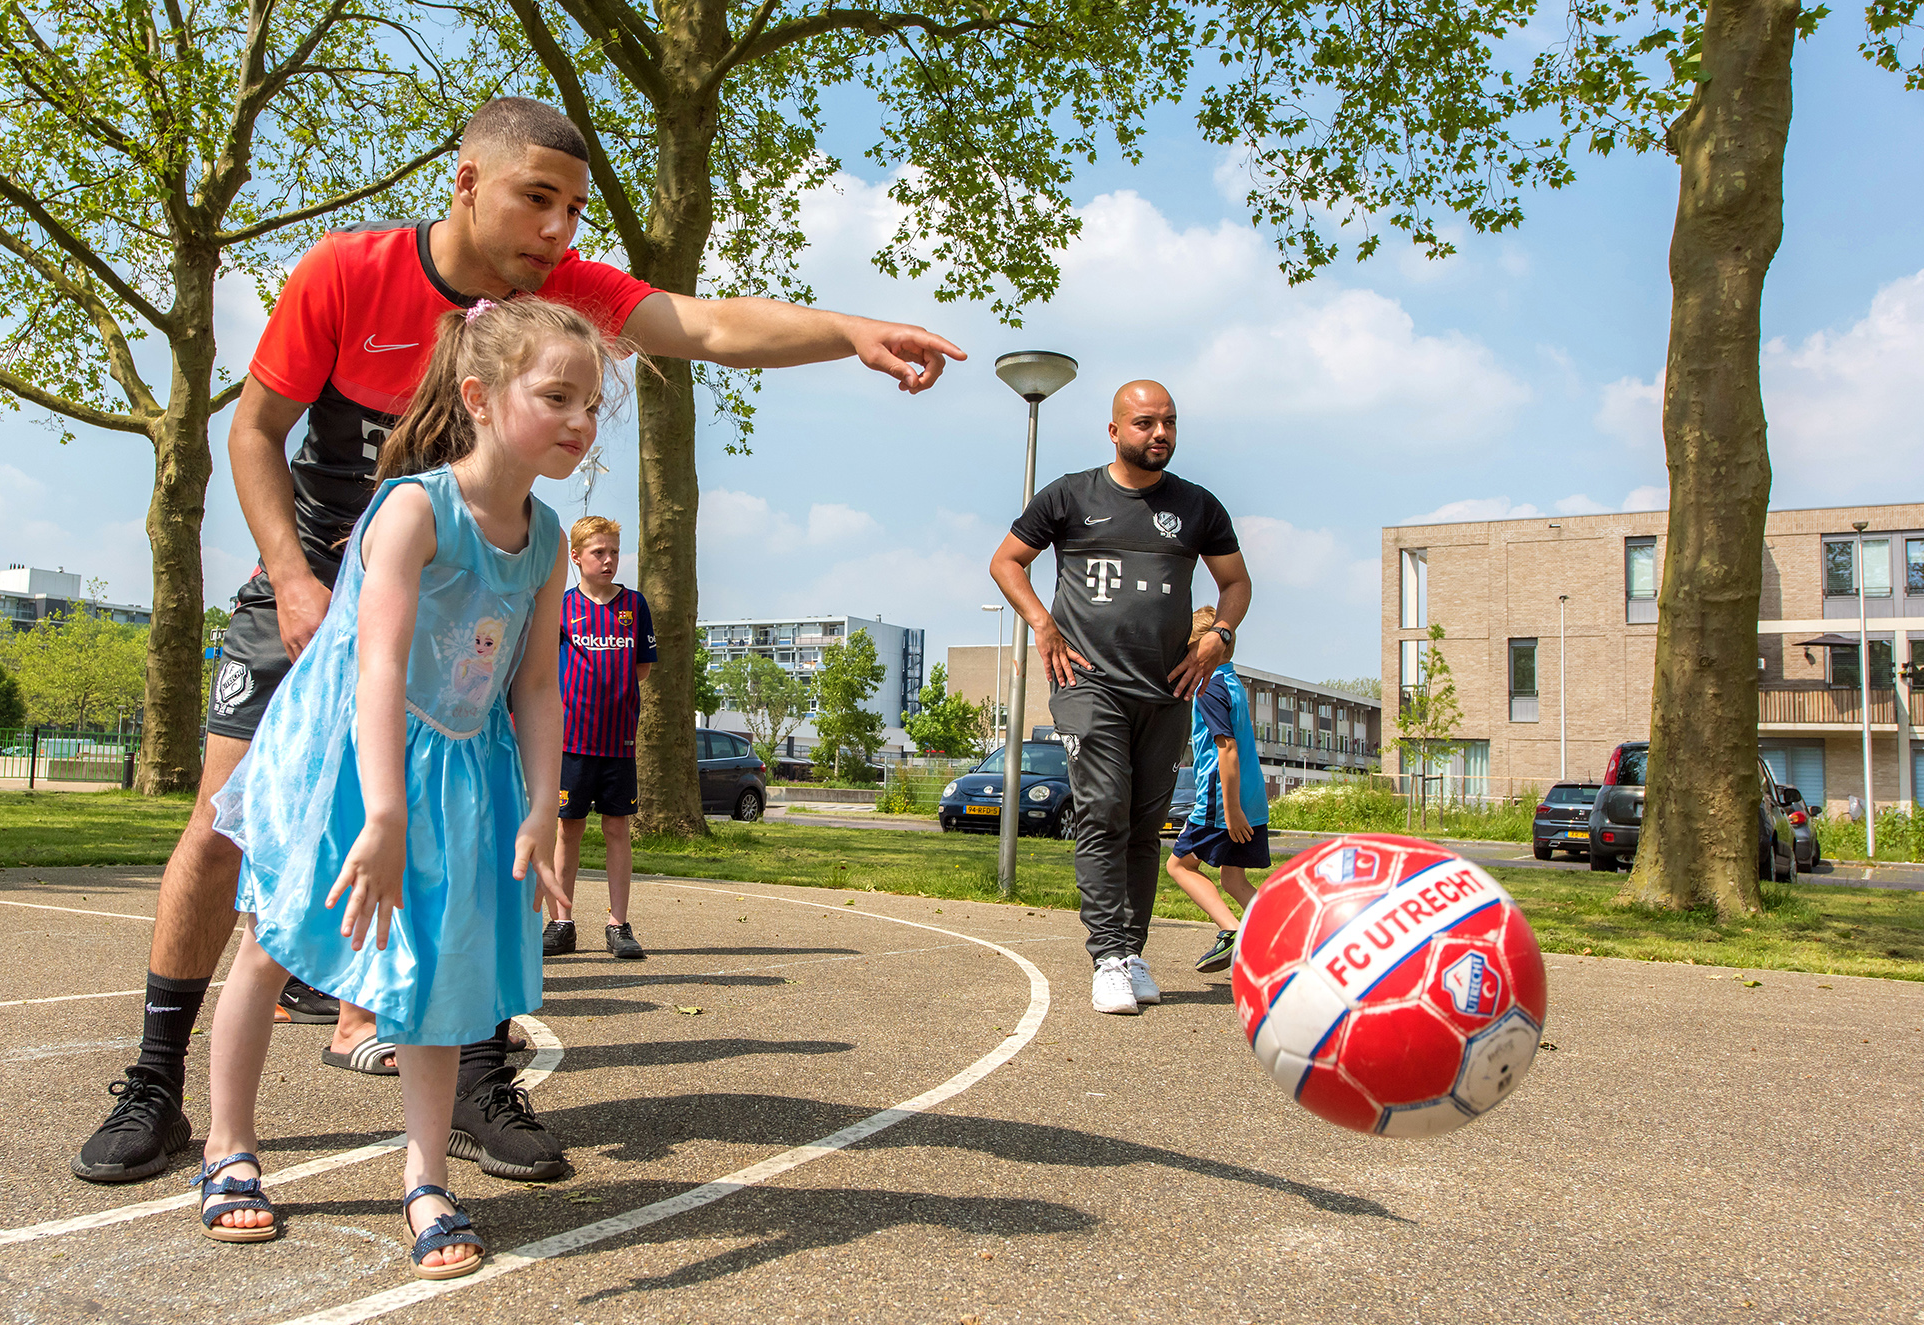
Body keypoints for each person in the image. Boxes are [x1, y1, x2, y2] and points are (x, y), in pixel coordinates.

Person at [73, 95, 964, 1184]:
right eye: (535, 199)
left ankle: (484, 1084)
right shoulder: (346, 272)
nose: (557, 229)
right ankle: (156, 1086)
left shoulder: (553, 298)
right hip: (309, 593)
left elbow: (711, 325)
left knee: (490, 832)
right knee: (225, 835)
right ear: (465, 182)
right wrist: (300, 583)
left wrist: (852, 334)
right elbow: (255, 432)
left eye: (573, 209)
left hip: (465, 609)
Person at [194, 296, 594, 1273]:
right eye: (557, 396)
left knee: (440, 969)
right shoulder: (415, 509)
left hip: (460, 759)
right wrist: (379, 812)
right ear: (482, 397)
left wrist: (542, 804)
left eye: (592, 405)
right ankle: (228, 1147)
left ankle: (426, 1180)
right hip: (344, 754)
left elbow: (537, 683)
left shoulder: (546, 538)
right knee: (274, 937)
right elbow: (376, 668)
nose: (581, 421)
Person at [988, 381, 1252, 1016]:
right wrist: (1043, 625)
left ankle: (1131, 953)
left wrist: (1219, 635)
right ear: (1114, 431)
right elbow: (1006, 562)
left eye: (1168, 423)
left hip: (1168, 688)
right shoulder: (1070, 495)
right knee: (1104, 808)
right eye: (1143, 423)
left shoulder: (1198, 507)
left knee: (1142, 823)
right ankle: (1106, 955)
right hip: (1088, 683)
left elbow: (1236, 582)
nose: (1158, 434)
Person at [546, 516, 655, 960]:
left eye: (614, 551)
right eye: (598, 553)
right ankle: (561, 922)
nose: (609, 560)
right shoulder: (561, 605)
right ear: (576, 557)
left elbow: (643, 666)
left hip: (618, 743)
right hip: (570, 740)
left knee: (616, 829)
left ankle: (618, 925)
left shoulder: (634, 604)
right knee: (567, 830)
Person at [1165, 606, 1272, 975]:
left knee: (1178, 865)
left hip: (1222, 800)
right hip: (1252, 797)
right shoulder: (1232, 682)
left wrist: (1231, 811)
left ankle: (1231, 932)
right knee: (1233, 877)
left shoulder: (1208, 687)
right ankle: (1282, 937)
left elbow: (1226, 750)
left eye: (1188, 651)